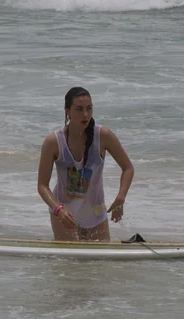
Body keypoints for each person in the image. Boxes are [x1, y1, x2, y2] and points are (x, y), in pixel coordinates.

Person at [37, 87, 134, 241]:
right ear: (67, 111)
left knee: (100, 263)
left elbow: (128, 168)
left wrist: (121, 198)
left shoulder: (103, 136)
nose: (85, 114)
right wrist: (58, 210)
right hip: (64, 214)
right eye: (79, 109)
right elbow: (42, 185)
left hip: (95, 214)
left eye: (89, 109)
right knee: (70, 264)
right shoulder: (53, 142)